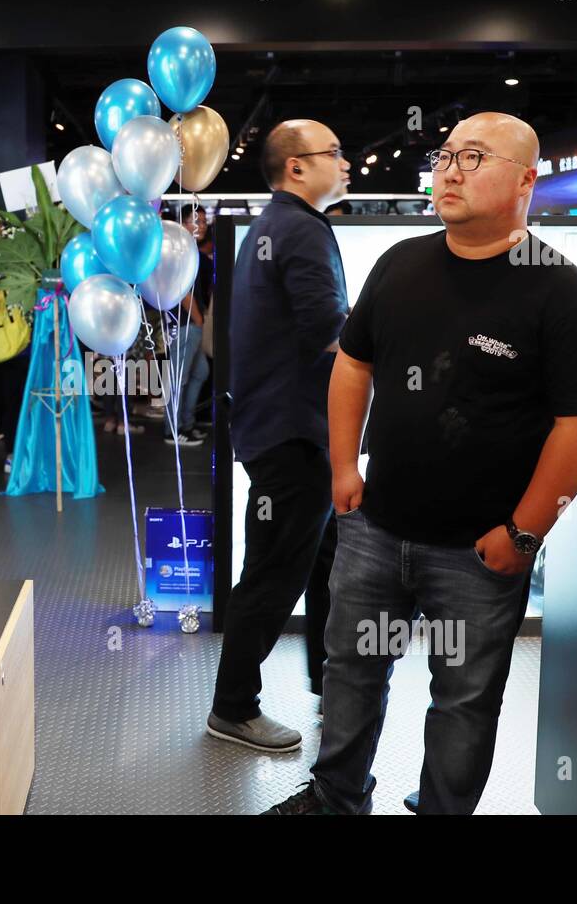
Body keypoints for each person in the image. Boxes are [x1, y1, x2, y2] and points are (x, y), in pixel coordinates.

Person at [266, 112, 577, 815]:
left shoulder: (564, 294)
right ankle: (335, 799)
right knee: (350, 676)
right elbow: (352, 366)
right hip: (375, 528)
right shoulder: (403, 263)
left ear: (526, 181)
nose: (450, 170)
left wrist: (523, 532)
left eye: (474, 157)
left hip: (480, 551)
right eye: (445, 154)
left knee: (464, 702)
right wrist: (344, 468)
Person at [207, 119, 350, 752]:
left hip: (284, 428)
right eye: (334, 154)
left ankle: (327, 680)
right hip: (294, 434)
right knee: (273, 574)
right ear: (296, 167)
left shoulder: (270, 228)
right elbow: (332, 330)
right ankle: (234, 706)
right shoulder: (299, 231)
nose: (346, 164)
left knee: (320, 561)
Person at [163, 207, 213, 447]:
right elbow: (184, 291)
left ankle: (186, 423)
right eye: (196, 220)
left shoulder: (190, 251)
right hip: (185, 323)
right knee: (179, 379)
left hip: (190, 323)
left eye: (204, 221)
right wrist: (198, 319)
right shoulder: (181, 252)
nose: (201, 225)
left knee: (199, 372)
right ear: (182, 223)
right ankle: (172, 430)